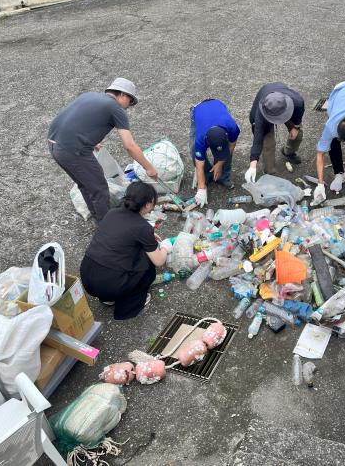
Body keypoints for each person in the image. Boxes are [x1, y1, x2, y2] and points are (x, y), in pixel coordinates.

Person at [48, 77, 158, 222]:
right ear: (123, 94)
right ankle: (108, 229)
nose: (128, 106)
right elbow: (129, 145)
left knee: (85, 184)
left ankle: (99, 218)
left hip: (54, 144)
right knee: (100, 189)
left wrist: (90, 142)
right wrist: (149, 168)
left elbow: (76, 119)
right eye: (130, 101)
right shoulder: (116, 108)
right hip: (73, 150)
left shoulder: (89, 96)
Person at [79, 181, 172, 320]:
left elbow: (122, 234)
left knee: (127, 253)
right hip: (110, 284)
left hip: (87, 276)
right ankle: (130, 303)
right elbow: (159, 261)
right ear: (147, 204)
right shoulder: (142, 227)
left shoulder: (112, 213)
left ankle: (107, 298)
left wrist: (148, 237)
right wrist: (165, 247)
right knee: (148, 267)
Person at [245, 82, 305, 183]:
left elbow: (299, 113)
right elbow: (257, 140)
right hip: (266, 113)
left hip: (284, 106)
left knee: (298, 134)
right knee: (268, 144)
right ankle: (270, 173)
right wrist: (252, 165)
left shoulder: (297, 101)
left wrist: (296, 127)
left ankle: (288, 152)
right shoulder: (259, 114)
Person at [189, 99, 240, 207]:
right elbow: (199, 163)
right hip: (199, 110)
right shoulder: (201, 139)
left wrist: (220, 164)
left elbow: (231, 146)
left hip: (218, 105)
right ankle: (207, 176)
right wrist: (201, 188)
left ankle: (223, 177)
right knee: (194, 152)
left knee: (226, 154)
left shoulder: (232, 127)